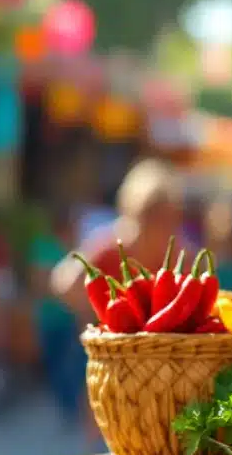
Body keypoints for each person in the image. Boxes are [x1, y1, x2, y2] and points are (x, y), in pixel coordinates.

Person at [53, 159, 185, 313]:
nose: (162, 225)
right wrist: (103, 311)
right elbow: (64, 284)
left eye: (168, 218)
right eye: (152, 215)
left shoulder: (177, 257)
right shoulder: (111, 247)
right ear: (133, 214)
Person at [31, 209, 85, 427]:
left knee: (69, 363)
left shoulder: (73, 246)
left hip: (66, 316)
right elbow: (38, 281)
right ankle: (69, 407)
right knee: (57, 363)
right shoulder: (47, 247)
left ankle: (73, 407)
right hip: (53, 315)